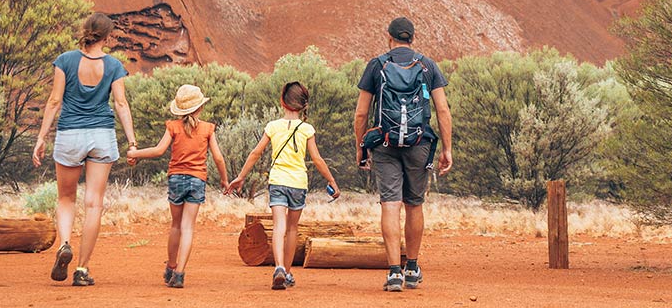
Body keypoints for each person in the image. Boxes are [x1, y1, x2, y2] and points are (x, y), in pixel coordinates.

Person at [32, 12, 138, 287]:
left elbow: (55, 101)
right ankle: (82, 269)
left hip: (70, 134)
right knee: (94, 204)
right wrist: (132, 142)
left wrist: (41, 137)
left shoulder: (65, 60)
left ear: (86, 31)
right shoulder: (114, 65)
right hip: (101, 135)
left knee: (66, 199)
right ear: (107, 37)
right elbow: (121, 104)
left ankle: (64, 244)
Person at [354, 16, 453, 292]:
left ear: (389, 38)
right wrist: (447, 148)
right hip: (420, 144)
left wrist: (361, 147)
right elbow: (443, 110)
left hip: (384, 145)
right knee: (414, 204)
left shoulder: (377, 65)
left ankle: (394, 272)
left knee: (390, 204)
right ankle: (412, 267)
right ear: (412, 38)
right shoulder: (427, 65)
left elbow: (361, 113)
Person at [226, 81, 341, 290]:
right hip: (298, 183)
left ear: (282, 102)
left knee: (278, 226)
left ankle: (278, 267)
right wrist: (332, 181)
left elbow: (255, 153)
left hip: (278, 181)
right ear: (303, 105)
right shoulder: (307, 129)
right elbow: (317, 159)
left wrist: (241, 177)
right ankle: (287, 273)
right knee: (292, 229)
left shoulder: (273, 126)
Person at [126, 84, 229, 288]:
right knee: (188, 227)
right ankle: (180, 273)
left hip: (176, 179)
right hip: (197, 179)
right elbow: (218, 157)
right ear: (199, 108)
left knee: (175, 225)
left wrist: (135, 154)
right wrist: (225, 179)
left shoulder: (173, 126)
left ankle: (171, 267)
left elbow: (158, 150)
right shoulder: (208, 128)